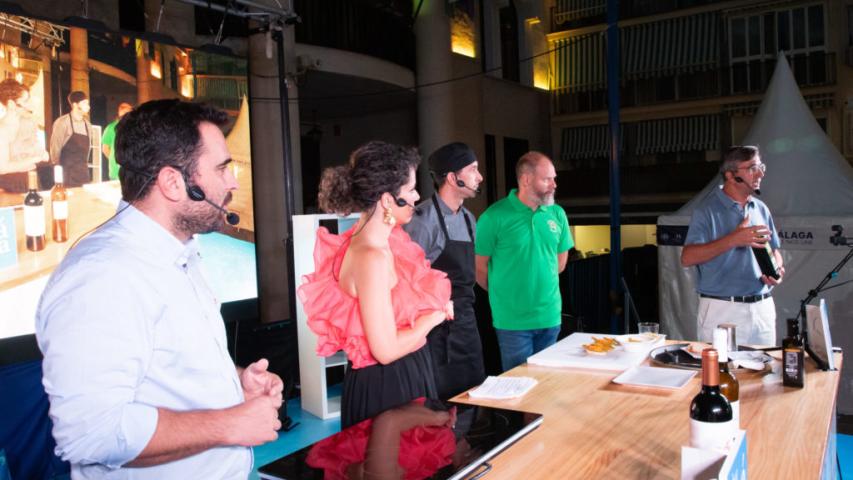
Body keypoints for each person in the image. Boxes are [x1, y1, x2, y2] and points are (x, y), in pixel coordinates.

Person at [36, 99, 283, 479]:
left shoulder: (179, 253)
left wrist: (236, 384)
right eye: (221, 169)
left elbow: (169, 368)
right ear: (172, 183)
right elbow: (90, 434)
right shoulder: (102, 277)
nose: (233, 182)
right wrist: (230, 423)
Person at [298, 141, 453, 428]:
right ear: (386, 200)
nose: (417, 196)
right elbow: (385, 349)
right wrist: (434, 317)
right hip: (387, 387)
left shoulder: (386, 240)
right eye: (411, 189)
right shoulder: (371, 257)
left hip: (406, 373)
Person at [475, 151, 573, 372]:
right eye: (547, 179)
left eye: (554, 178)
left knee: (548, 383)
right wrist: (505, 294)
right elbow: (479, 268)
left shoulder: (557, 214)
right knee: (519, 384)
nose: (554, 185)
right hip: (512, 322)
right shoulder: (493, 217)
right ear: (527, 179)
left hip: (550, 317)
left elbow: (559, 264)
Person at [403, 142, 485, 399]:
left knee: (474, 395)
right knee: (440, 402)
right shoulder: (422, 220)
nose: (479, 177)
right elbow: (407, 281)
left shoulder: (469, 219)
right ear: (452, 178)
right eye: (472, 169)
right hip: (435, 330)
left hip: (467, 322)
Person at [681, 145, 784, 345]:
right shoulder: (706, 210)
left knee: (765, 364)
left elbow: (774, 250)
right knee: (721, 365)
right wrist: (734, 239)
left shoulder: (761, 208)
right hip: (723, 309)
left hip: (762, 307)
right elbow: (687, 258)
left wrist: (777, 269)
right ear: (730, 175)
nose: (760, 173)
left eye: (761, 167)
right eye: (752, 168)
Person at [0, 78, 49, 192]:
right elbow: (3, 168)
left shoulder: (27, 122)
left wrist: (41, 152)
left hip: (31, 177)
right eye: (26, 101)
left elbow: (35, 147)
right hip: (12, 185)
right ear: (11, 104)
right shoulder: (2, 130)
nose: (30, 104)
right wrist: (35, 159)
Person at [49, 90, 94, 187]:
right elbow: (55, 150)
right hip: (66, 174)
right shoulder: (62, 123)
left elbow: (87, 152)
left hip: (83, 173)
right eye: (84, 103)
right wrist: (58, 173)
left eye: (88, 103)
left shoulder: (88, 125)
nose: (88, 107)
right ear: (75, 105)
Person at [102, 102, 134, 180]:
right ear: (120, 113)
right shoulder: (111, 128)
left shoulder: (134, 128)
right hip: (116, 172)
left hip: (132, 172)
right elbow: (105, 149)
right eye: (125, 113)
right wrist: (114, 160)